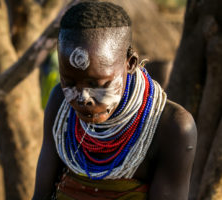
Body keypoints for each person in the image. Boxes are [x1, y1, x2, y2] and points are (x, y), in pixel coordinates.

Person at [33, 2, 197, 200]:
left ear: (130, 63)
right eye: (69, 82)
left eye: (98, 84)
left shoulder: (170, 127)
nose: (83, 98)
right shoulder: (60, 104)